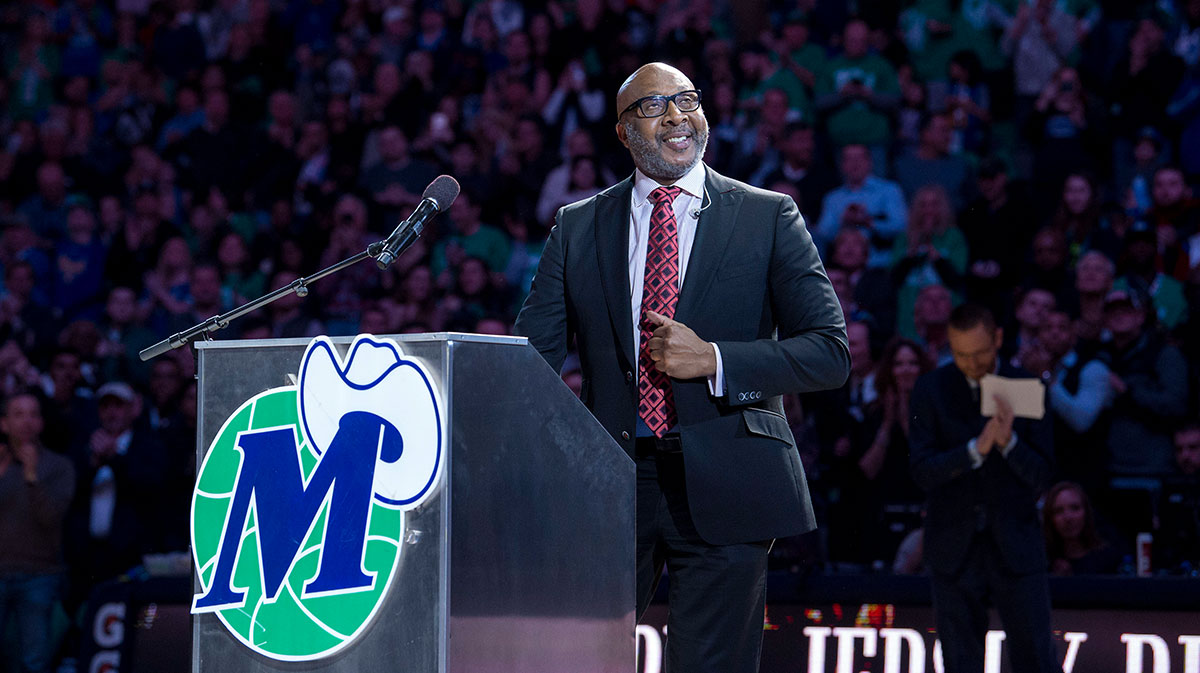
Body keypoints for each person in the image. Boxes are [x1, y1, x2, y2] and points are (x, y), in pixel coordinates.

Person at [514, 62, 848, 673]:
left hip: (731, 478)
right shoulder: (578, 225)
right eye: (653, 106)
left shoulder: (768, 215)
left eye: (687, 99)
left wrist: (715, 360)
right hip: (611, 485)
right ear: (622, 132)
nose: (675, 115)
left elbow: (829, 352)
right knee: (576, 660)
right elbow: (529, 364)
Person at [908, 303, 1058, 673]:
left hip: (1017, 548)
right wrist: (974, 450)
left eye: (980, 354)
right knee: (960, 662)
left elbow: (1043, 476)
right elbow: (922, 472)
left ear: (999, 339)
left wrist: (1010, 445)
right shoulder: (932, 389)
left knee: (1037, 660)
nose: (972, 364)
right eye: (961, 355)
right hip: (953, 547)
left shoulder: (1027, 386)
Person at [0, 392, 76, 673]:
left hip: (39, 575)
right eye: (18, 414)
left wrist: (31, 475)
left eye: (33, 414)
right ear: (4, 423)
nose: (26, 422)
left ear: (42, 422)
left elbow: (51, 518)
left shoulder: (58, 466)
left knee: (35, 661)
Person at [1043, 481, 1121, 575]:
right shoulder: (1042, 562)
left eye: (1075, 508)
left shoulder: (1109, 559)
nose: (1068, 518)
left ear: (1086, 512)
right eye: (1059, 511)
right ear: (1050, 517)